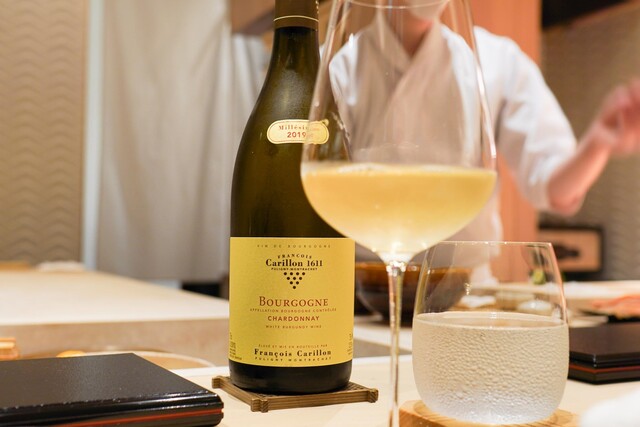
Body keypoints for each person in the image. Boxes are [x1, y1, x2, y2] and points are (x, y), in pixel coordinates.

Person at [329, 2, 640, 250]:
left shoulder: (498, 60)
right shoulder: (336, 68)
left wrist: (598, 144)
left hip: (469, 290)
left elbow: (553, 186)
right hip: (364, 286)